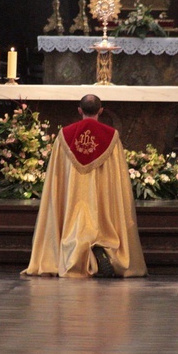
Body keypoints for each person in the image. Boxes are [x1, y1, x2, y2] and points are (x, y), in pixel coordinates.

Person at [22, 94, 147, 278]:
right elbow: (117, 176)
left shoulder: (65, 135)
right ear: (101, 111)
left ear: (79, 110)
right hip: (101, 200)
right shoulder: (111, 136)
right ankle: (102, 252)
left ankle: (74, 255)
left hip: (72, 200)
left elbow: (57, 174)